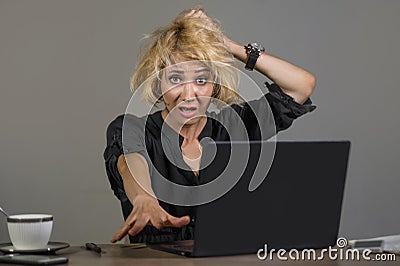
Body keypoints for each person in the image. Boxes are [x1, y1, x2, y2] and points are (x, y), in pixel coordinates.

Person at [104, 8, 316, 244]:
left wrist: (228, 46)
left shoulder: (233, 127)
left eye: (201, 80)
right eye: (175, 79)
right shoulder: (132, 127)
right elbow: (129, 163)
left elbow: (301, 86)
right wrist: (144, 198)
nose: (188, 94)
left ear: (214, 87)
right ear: (158, 85)